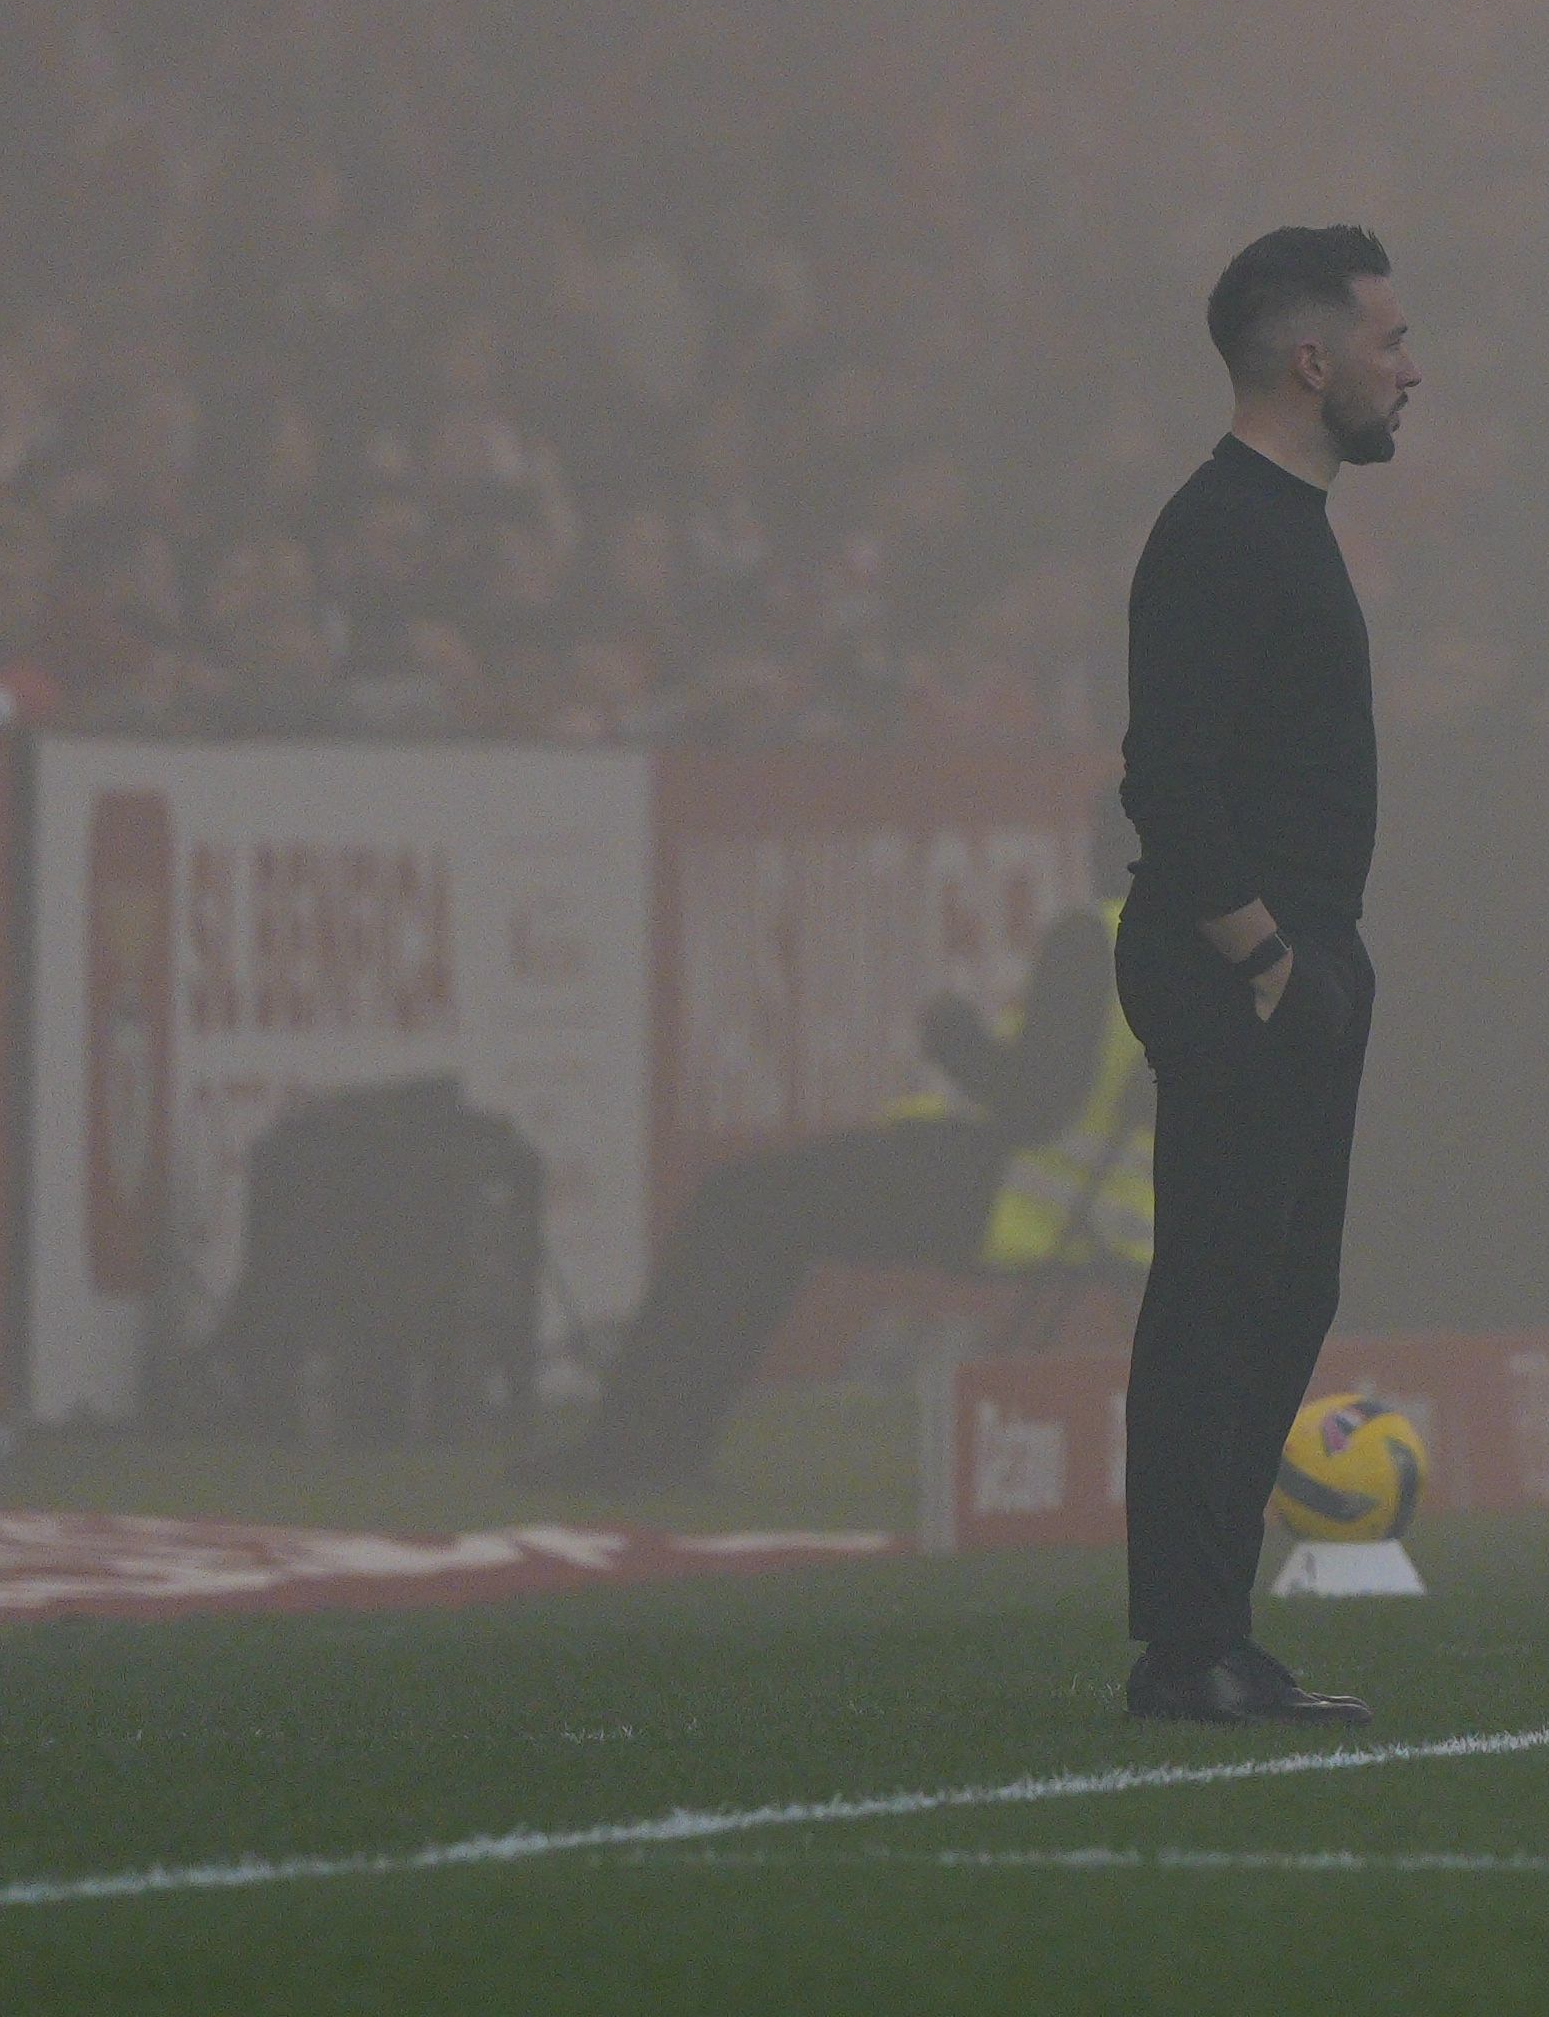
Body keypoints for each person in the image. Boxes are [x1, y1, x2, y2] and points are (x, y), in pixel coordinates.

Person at [1114, 225, 1414, 1726]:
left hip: (1295, 956)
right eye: (1388, 341)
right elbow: (1165, 777)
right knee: (1221, 1302)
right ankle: (1186, 1647)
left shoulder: (1281, 525)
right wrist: (1265, 954)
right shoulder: (1226, 531)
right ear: (1312, 360)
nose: (1408, 372)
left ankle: (1213, 1633)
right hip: (1243, 961)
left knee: (1279, 1297)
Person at [526, 881, 1149, 1487]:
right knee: (760, 1207)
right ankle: (657, 1444)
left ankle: (641, 1446)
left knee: (739, 1204)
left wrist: (955, 1039)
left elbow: (1036, 1107)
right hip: (1134, 1219)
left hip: (1022, 1199)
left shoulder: (1098, 934)